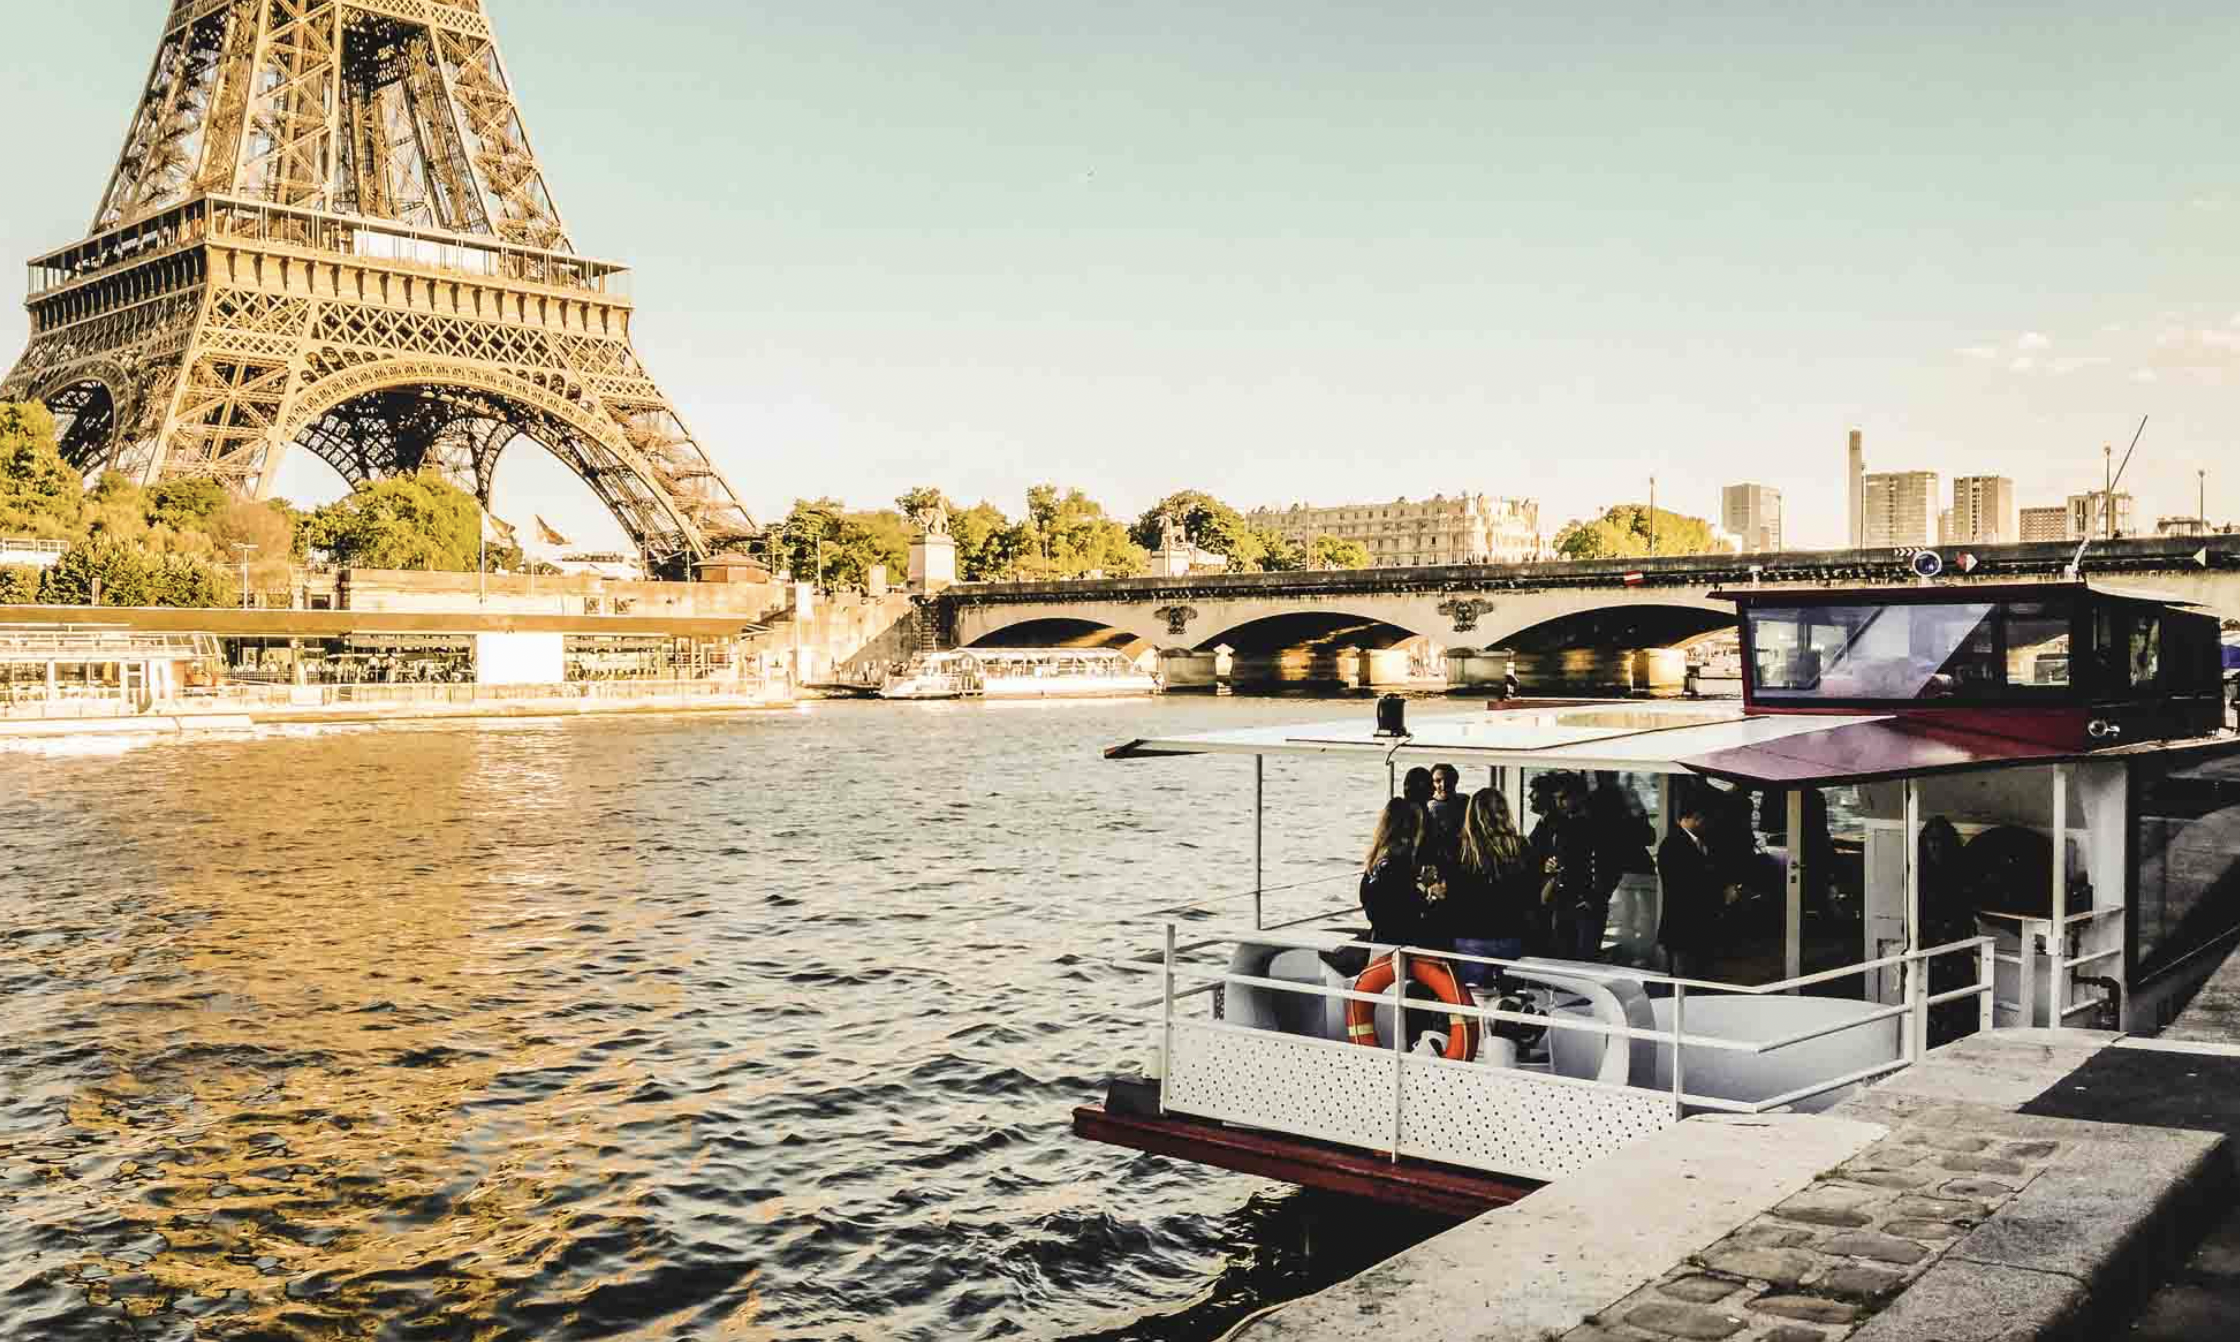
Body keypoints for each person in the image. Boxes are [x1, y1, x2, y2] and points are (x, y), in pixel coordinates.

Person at [1450, 788, 1534, 989]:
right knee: (1512, 999)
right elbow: (1529, 891)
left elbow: (1453, 894)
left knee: (1475, 998)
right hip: (1511, 932)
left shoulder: (1460, 849)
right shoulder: (1520, 846)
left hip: (1472, 933)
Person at [1657, 789, 1730, 978]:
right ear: (1695, 818)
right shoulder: (1672, 845)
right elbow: (1683, 886)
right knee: (1684, 980)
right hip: (1683, 925)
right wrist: (1720, 894)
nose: (1708, 824)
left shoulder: (1702, 843)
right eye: (1705, 819)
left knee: (1699, 975)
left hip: (1701, 924)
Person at [1532, 774, 1605, 961]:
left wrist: (1593, 897)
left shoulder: (1597, 824)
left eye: (1563, 798)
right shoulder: (1561, 824)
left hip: (1585, 903)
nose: (1559, 803)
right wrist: (1548, 866)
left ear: (1578, 796)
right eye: (1556, 799)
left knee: (1584, 959)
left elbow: (1608, 865)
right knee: (1562, 956)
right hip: (1562, 900)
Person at [1360, 797, 1440, 949]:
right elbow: (1409, 902)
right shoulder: (1399, 859)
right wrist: (1425, 886)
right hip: (1399, 938)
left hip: (1380, 933)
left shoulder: (1378, 857)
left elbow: (1367, 895)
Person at [1426, 763, 1465, 851]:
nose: (1443, 785)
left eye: (1448, 780)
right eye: (1438, 781)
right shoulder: (1426, 807)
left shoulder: (1465, 802)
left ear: (1455, 781)